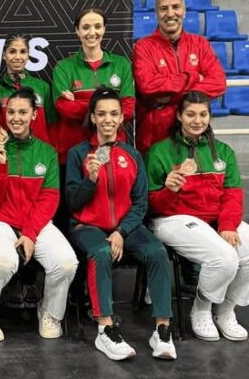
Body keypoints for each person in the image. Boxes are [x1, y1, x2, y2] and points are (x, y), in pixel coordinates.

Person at [66, 86, 176, 361]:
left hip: (127, 228)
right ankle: (105, 329)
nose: (108, 119)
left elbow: (140, 203)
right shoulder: (78, 154)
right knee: (100, 251)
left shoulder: (132, 155)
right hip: (87, 226)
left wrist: (121, 232)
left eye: (114, 114)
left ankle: (162, 329)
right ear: (93, 117)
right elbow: (72, 203)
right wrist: (90, 180)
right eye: (102, 114)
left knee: (157, 252)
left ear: (121, 117)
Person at [0, 87, 77, 342]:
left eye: (22, 112)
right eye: (11, 112)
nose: (16, 118)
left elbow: (49, 198)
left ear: (34, 115)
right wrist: (0, 165)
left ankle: (50, 313)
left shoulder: (46, 152)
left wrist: (30, 234)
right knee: (4, 261)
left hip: (34, 222)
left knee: (66, 263)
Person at [146, 91, 248, 342]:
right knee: (225, 259)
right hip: (173, 219)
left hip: (215, 220)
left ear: (209, 117)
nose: (197, 120)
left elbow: (232, 195)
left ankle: (225, 311)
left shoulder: (222, 151)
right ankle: (201, 309)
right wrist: (169, 190)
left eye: (203, 115)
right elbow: (151, 205)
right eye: (190, 114)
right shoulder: (160, 151)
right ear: (179, 116)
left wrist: (227, 225)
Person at [133, 0, 226, 155]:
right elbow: (148, 86)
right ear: (156, 13)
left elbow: (218, 83)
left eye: (176, 7)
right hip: (154, 137)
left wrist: (170, 97)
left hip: (194, 134)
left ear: (184, 10)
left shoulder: (200, 44)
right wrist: (193, 77)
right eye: (164, 8)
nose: (170, 14)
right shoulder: (143, 47)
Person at [52, 8, 135, 164]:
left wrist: (80, 103)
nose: (92, 32)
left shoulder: (121, 64)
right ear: (77, 31)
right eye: (85, 27)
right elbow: (65, 109)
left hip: (112, 148)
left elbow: (128, 109)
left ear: (104, 29)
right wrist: (110, 108)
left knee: (109, 179)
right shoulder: (63, 67)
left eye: (97, 26)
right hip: (74, 150)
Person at [0, 34, 57, 143]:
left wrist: (50, 151)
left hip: (39, 151)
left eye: (23, 52)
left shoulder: (42, 87)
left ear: (28, 55)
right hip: (8, 150)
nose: (18, 57)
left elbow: (53, 126)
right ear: (4, 55)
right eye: (12, 51)